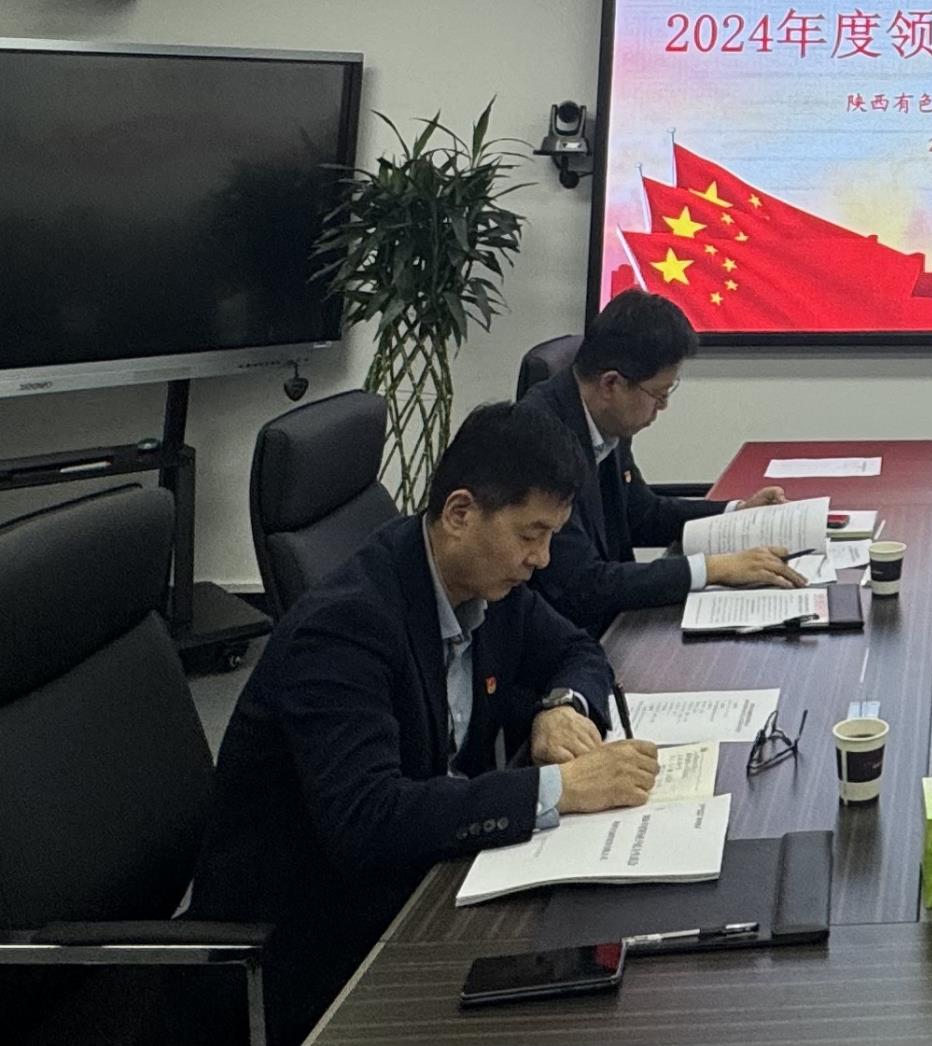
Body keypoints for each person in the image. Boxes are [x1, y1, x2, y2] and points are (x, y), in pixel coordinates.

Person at [189, 402, 663, 1046]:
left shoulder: (486, 585)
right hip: (314, 945)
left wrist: (562, 707)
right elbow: (369, 819)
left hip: (427, 880)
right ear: (460, 513)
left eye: (552, 536)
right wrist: (561, 789)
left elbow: (578, 650)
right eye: (531, 534)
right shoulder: (344, 628)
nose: (543, 559)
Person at [521, 290, 805, 634]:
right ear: (612, 383)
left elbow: (642, 514)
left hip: (614, 623)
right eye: (658, 394)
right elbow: (582, 584)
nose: (663, 407)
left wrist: (737, 513)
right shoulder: (538, 442)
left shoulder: (603, 418)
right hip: (572, 637)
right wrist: (712, 569)